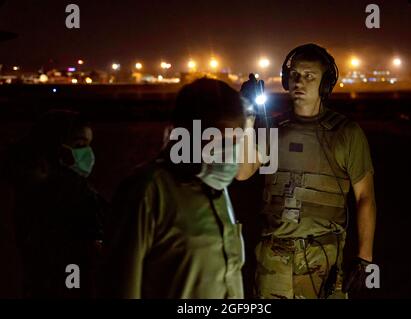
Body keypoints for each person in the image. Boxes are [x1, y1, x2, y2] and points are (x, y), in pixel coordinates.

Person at [237, 43, 376, 299]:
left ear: (325, 85)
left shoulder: (346, 133)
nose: (299, 82)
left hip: (322, 260)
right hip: (273, 263)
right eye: (294, 76)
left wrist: (364, 259)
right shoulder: (273, 128)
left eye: (310, 76)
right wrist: (248, 116)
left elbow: (365, 197)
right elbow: (243, 172)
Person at [101, 78, 248, 299]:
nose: (229, 151)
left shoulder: (216, 187)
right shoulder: (148, 192)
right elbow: (120, 285)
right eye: (220, 140)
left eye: (235, 140)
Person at [4, 109, 106, 298]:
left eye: (88, 145)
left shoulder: (29, 191)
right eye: (79, 144)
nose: (87, 153)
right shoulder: (68, 195)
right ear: (55, 147)